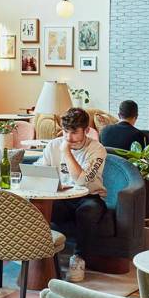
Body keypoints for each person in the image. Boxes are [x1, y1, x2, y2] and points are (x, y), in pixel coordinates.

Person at [42, 107, 108, 283]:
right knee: (38, 206)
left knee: (87, 211)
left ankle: (78, 259)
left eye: (74, 133)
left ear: (86, 130)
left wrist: (66, 152)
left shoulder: (97, 150)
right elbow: (40, 172)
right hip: (62, 197)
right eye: (65, 132)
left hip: (90, 197)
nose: (68, 138)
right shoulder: (53, 146)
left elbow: (81, 181)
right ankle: (37, 254)